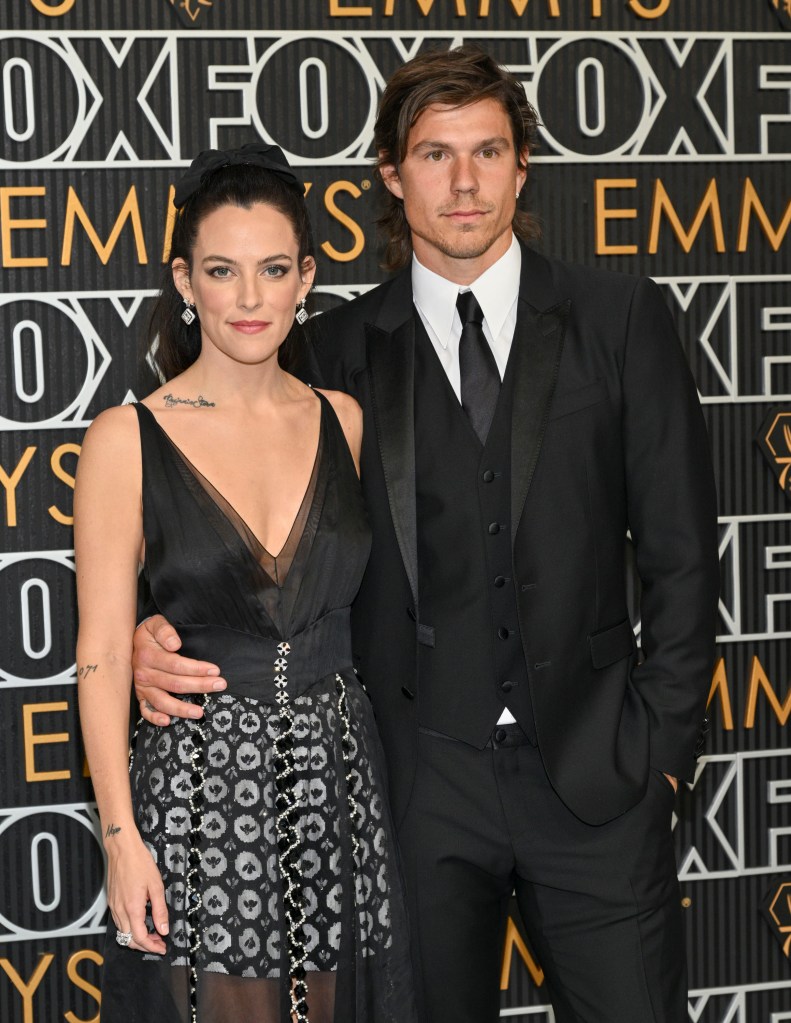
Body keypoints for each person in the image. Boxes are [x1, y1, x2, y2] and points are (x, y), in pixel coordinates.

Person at [131, 47, 720, 1023]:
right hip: (409, 793)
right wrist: (161, 635)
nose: (462, 182)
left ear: (521, 168)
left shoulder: (620, 321)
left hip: (595, 783)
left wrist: (655, 748)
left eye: (487, 152)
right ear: (390, 174)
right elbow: (248, 540)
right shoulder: (326, 354)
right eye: (434, 154)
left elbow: (681, 557)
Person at [74, 143, 417, 1023]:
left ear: (307, 278)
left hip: (337, 788)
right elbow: (106, 652)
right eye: (223, 271)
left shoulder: (341, 421)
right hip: (198, 796)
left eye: (273, 269)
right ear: (185, 281)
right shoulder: (126, 437)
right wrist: (121, 841)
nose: (251, 297)